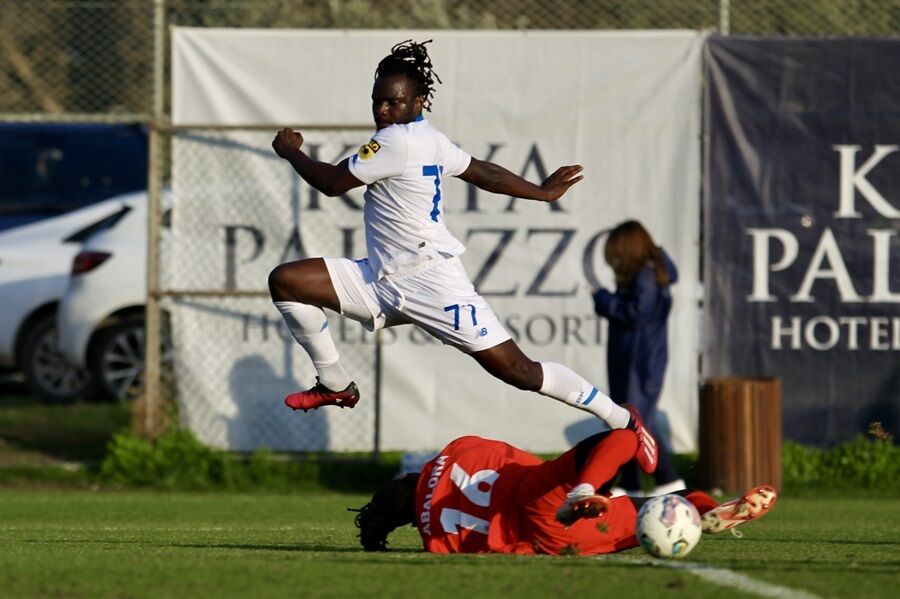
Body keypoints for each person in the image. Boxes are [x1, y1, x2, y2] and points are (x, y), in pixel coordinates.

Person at [269, 40, 657, 473]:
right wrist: (541, 192)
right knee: (287, 281)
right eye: (378, 101)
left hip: (430, 281)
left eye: (394, 102)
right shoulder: (426, 137)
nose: (383, 111)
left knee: (520, 372)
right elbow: (482, 172)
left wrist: (292, 151)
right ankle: (336, 385)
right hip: (380, 279)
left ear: (418, 102)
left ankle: (623, 420)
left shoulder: (398, 141)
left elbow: (331, 183)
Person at [350, 430, 777, 554]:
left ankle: (700, 510)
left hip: (550, 540)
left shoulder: (434, 539)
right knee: (623, 437)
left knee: (656, 515)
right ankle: (588, 486)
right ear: (408, 479)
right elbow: (507, 455)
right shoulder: (456, 450)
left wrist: (375, 532)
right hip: (541, 499)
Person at [592, 221, 683, 496]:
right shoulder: (652, 273)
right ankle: (637, 483)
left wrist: (604, 300)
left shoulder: (645, 275)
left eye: (616, 255)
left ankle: (663, 479)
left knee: (634, 419)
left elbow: (636, 314)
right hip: (636, 356)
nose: (614, 263)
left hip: (638, 358)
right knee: (632, 417)